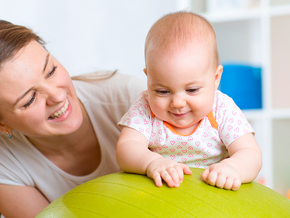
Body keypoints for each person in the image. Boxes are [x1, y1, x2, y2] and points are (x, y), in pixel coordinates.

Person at [0, 20, 146, 217]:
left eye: (51, 71)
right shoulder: (5, 165)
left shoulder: (129, 100)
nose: (58, 96)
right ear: (3, 124)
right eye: (30, 99)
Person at [116, 12, 262, 191]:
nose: (177, 102)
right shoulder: (145, 106)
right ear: (148, 79)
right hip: (160, 195)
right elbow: (126, 147)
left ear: (216, 78)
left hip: (213, 195)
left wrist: (234, 167)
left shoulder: (222, 108)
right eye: (162, 91)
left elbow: (250, 153)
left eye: (191, 90)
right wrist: (152, 163)